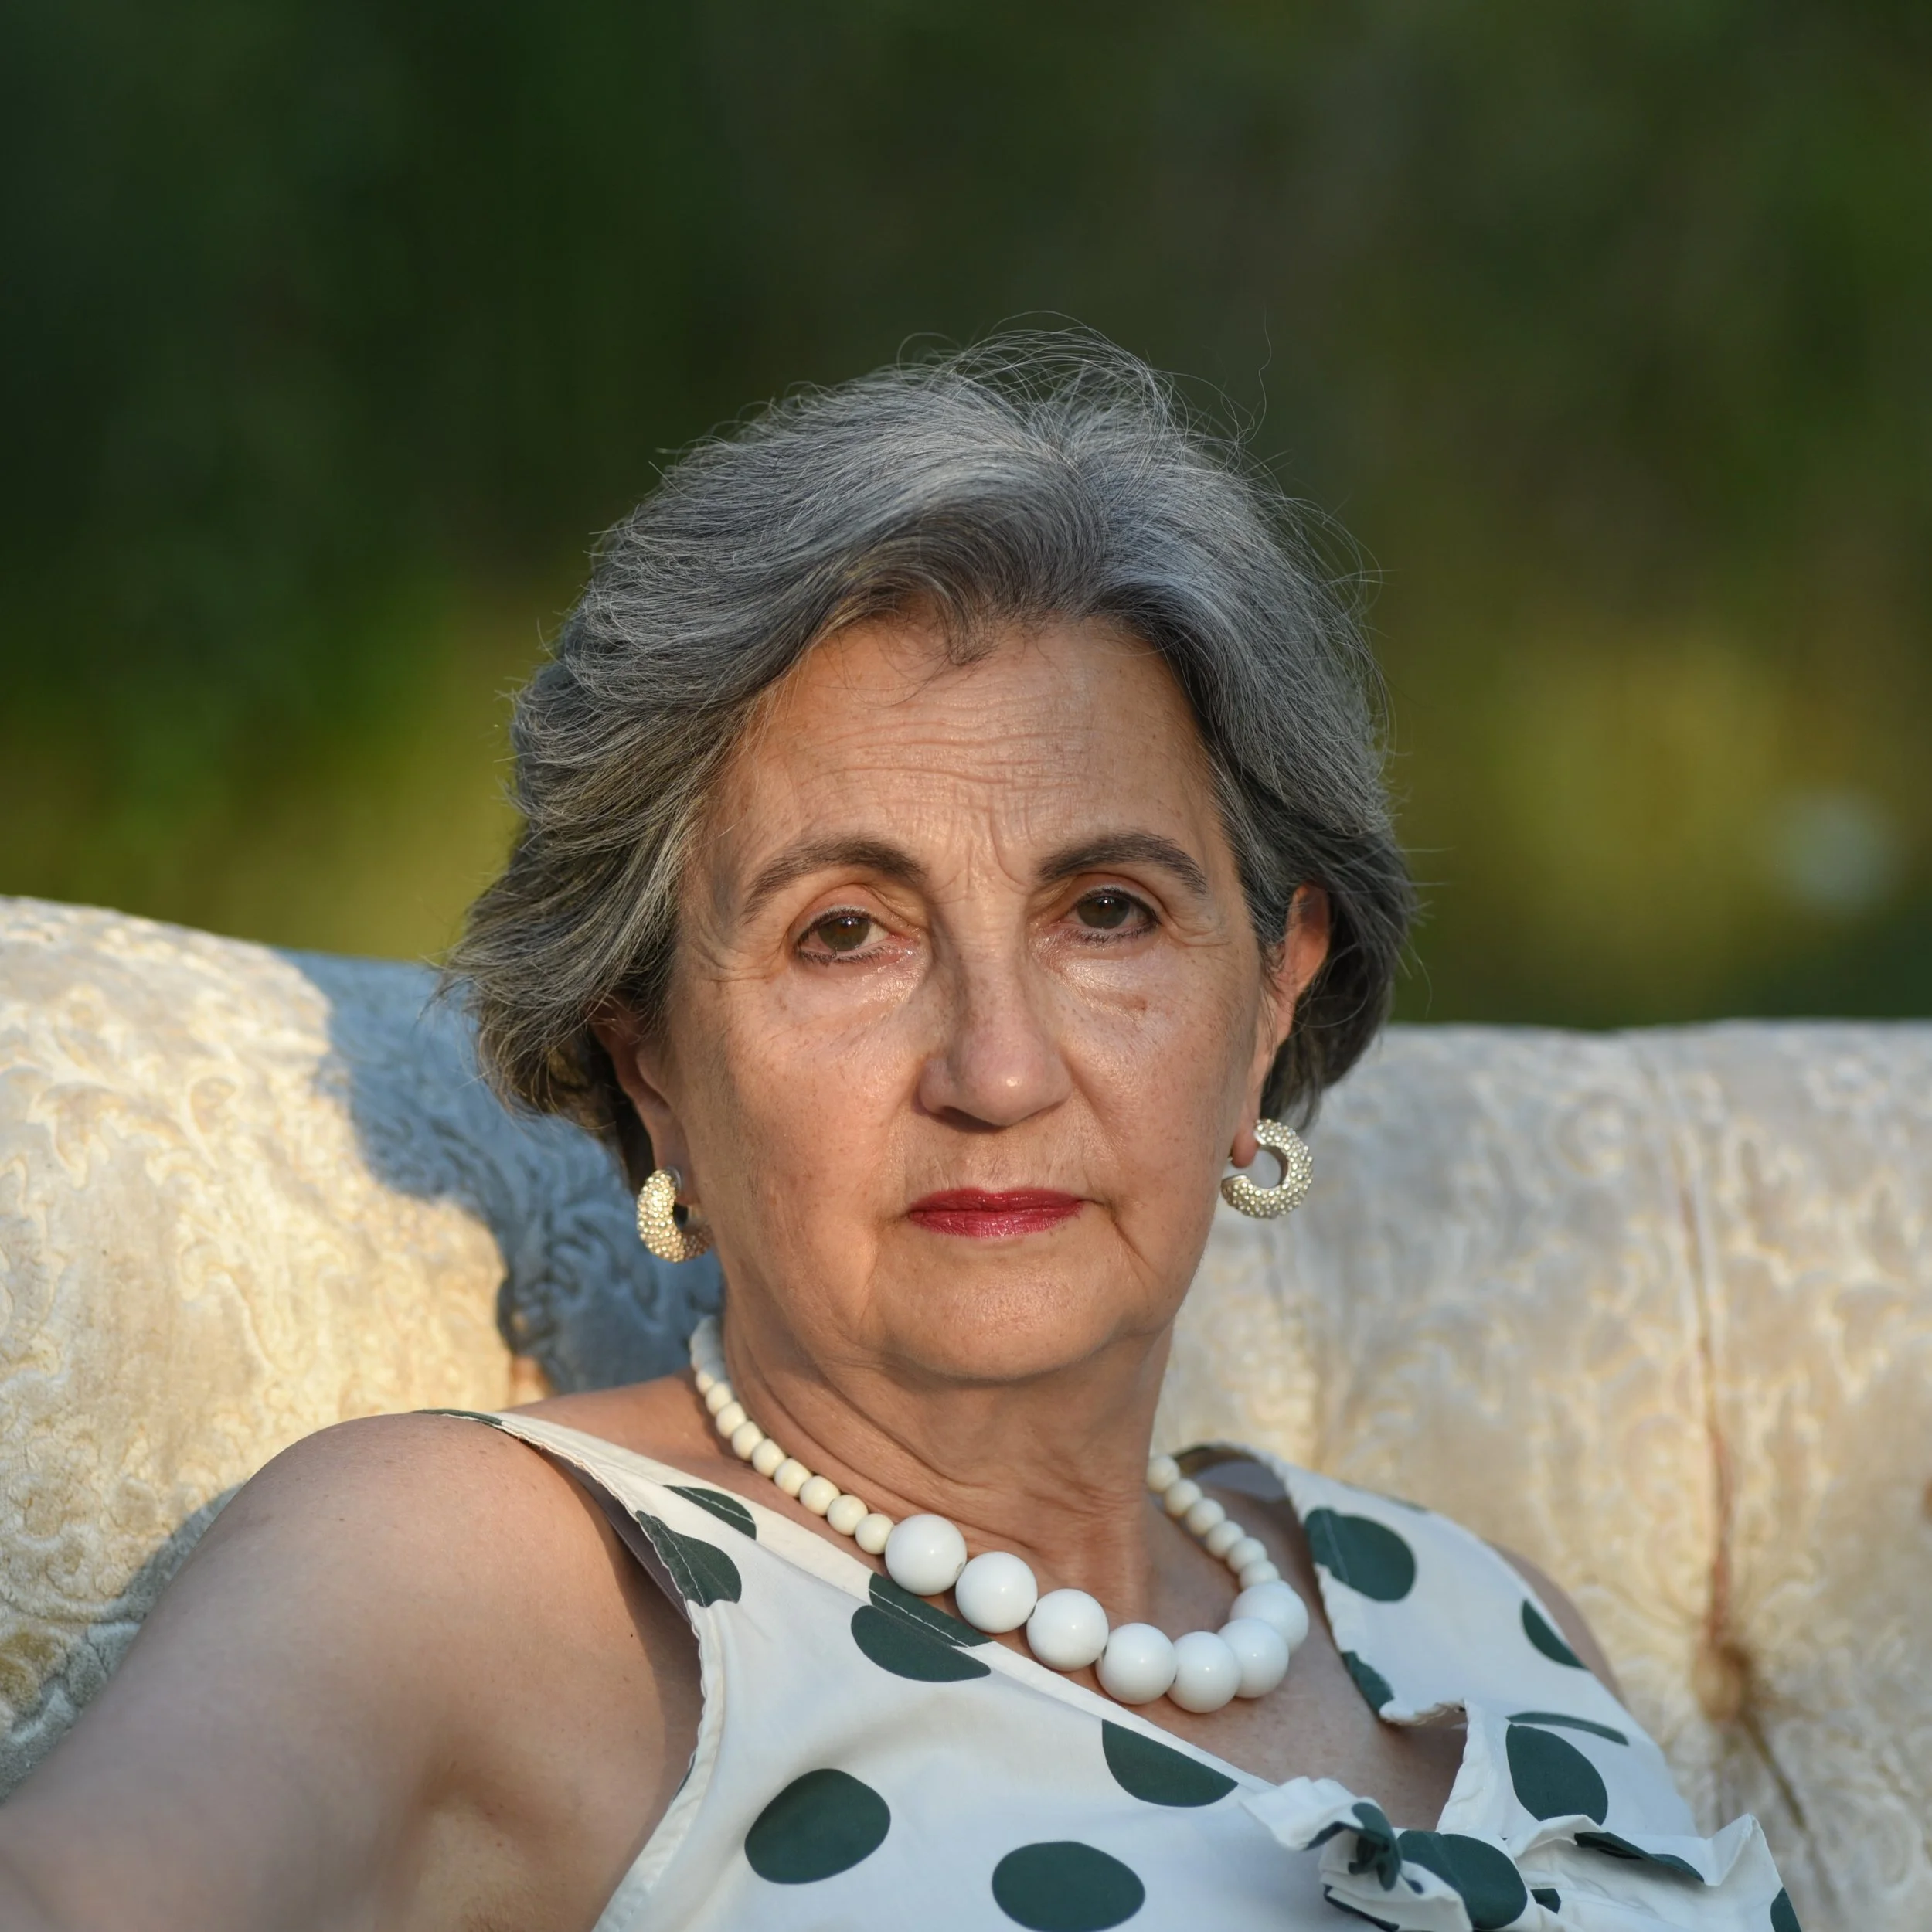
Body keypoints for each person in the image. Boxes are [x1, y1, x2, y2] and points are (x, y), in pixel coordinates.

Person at [0, 337, 1792, 1930]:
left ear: (1266, 999)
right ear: (653, 1068)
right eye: (843, 931)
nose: (995, 1069)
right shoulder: (481, 1573)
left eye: (1105, 912)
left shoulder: (1475, 1604)